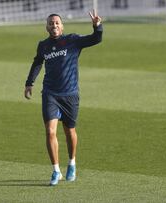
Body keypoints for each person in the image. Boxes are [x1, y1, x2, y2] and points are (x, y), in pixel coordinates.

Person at [24, 10, 103, 186]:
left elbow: (95, 39)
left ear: (62, 25)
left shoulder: (73, 40)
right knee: (50, 131)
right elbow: (38, 62)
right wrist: (29, 82)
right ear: (47, 27)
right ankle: (56, 170)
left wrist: (97, 27)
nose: (54, 25)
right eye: (51, 23)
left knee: (70, 131)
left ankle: (72, 163)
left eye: (57, 23)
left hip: (70, 94)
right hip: (50, 93)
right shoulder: (43, 45)